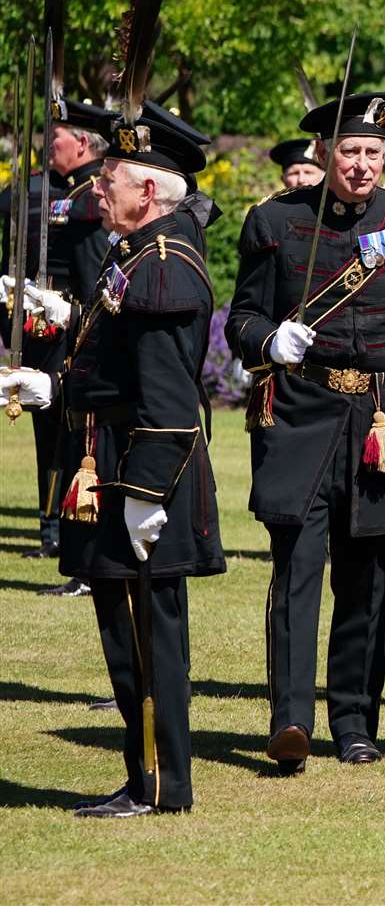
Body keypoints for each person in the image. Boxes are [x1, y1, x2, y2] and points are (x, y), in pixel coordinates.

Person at [3, 108, 222, 817]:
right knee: (126, 639)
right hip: (116, 463)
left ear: (150, 194)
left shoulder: (160, 266)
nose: (98, 186)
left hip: (138, 477)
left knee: (145, 644)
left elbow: (166, 398)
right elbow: (114, 368)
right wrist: (53, 386)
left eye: (111, 177)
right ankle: (148, 779)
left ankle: (159, 785)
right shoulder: (134, 252)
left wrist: (144, 494)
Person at [227, 90, 385, 773]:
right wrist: (271, 338)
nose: (360, 165)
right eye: (349, 152)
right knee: (296, 570)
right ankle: (290, 719)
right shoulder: (274, 219)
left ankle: (355, 720)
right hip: (300, 414)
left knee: (369, 578)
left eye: (373, 154)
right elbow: (240, 320)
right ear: (325, 154)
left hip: (382, 420)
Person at [1, 98, 112, 587]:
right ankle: (60, 533)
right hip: (51, 327)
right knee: (55, 436)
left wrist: (78, 325)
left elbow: (91, 278)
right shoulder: (68, 191)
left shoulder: (90, 197)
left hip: (74, 331)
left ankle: (79, 545)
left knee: (77, 441)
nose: (50, 148)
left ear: (83, 142)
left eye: (58, 138)